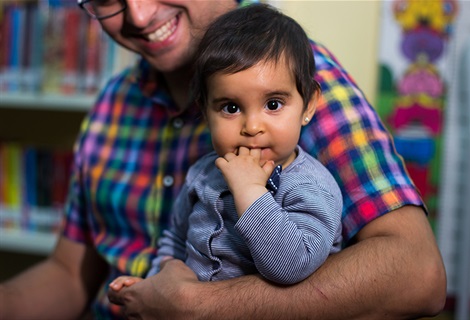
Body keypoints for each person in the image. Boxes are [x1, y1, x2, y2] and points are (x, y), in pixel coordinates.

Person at [0, 0, 446, 319]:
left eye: (271, 105)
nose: (137, 14)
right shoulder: (112, 103)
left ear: (306, 103)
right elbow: (69, 272)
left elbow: (416, 275)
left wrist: (195, 306)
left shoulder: (295, 76)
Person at [110, 4, 343, 292]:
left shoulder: (310, 186)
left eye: (273, 104)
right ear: (205, 112)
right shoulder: (205, 173)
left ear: (308, 105)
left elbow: (293, 266)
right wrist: (155, 282)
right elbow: (177, 238)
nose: (252, 126)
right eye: (231, 108)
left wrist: (250, 192)